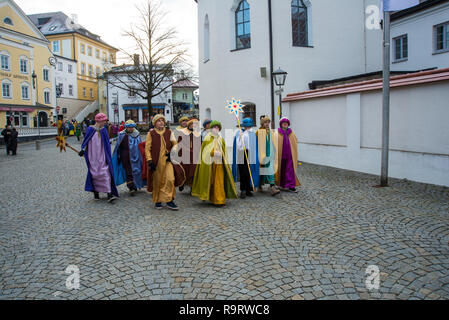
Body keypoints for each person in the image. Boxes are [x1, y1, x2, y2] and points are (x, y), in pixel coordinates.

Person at [192, 120, 237, 207]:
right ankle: (212, 197)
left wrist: (221, 155)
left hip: (219, 164)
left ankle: (219, 200)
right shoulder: (207, 138)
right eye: (214, 127)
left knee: (218, 181)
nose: (216, 129)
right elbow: (205, 151)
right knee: (210, 181)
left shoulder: (221, 139)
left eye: (217, 127)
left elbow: (223, 151)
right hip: (209, 164)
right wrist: (213, 152)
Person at [144, 114, 185, 210]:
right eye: (159, 121)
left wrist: (172, 154)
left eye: (162, 120)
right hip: (156, 162)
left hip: (168, 161)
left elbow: (175, 145)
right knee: (158, 181)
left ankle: (169, 200)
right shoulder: (151, 134)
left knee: (170, 179)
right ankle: (158, 200)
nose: (161, 122)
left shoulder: (169, 132)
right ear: (155, 123)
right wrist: (149, 160)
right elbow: (147, 148)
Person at [78, 113, 118, 202]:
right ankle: (96, 193)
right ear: (99, 120)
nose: (105, 122)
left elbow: (107, 143)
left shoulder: (104, 130)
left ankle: (109, 194)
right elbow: (86, 141)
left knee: (105, 172)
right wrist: (83, 150)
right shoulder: (90, 129)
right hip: (93, 155)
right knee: (94, 173)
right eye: (104, 121)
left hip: (102, 155)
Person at [112, 120, 145, 196]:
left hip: (135, 155)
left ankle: (136, 184)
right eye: (129, 127)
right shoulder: (121, 134)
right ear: (126, 127)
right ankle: (131, 187)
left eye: (132, 127)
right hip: (125, 155)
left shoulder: (136, 134)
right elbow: (118, 146)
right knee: (128, 171)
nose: (130, 129)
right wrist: (118, 155)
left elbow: (139, 145)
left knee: (136, 170)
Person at [232, 117, 260, 199]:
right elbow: (237, 145)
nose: (248, 127)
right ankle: (243, 190)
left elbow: (254, 145)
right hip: (241, 153)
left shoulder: (252, 133)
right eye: (247, 126)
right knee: (242, 172)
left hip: (249, 153)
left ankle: (248, 189)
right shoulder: (238, 132)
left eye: (249, 126)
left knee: (249, 171)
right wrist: (240, 139)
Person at [256, 116, 280, 196]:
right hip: (262, 154)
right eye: (265, 122)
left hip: (270, 154)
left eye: (268, 122)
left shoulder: (271, 132)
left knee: (270, 169)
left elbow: (273, 142)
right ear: (262, 123)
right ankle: (259, 185)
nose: (267, 124)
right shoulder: (259, 132)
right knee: (262, 170)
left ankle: (272, 186)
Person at [276, 117, 301, 192]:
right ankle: (281, 185)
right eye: (283, 123)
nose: (285, 124)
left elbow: (295, 141)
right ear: (281, 124)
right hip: (281, 155)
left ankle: (291, 186)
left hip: (290, 156)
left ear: (288, 124)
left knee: (290, 170)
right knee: (281, 170)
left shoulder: (291, 132)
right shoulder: (278, 132)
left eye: (286, 123)